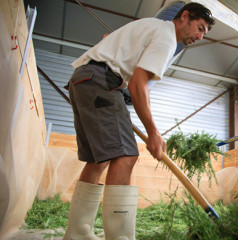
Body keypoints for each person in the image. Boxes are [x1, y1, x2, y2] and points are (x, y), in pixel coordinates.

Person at [63, 3, 215, 240]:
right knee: (126, 156)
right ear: (185, 16)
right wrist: (153, 132)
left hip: (84, 78)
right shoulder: (166, 37)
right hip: (101, 81)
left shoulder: (151, 27)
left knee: (97, 160)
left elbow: (108, 39)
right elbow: (137, 84)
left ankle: (77, 235)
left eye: (204, 32)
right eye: (200, 27)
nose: (200, 36)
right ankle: (119, 237)